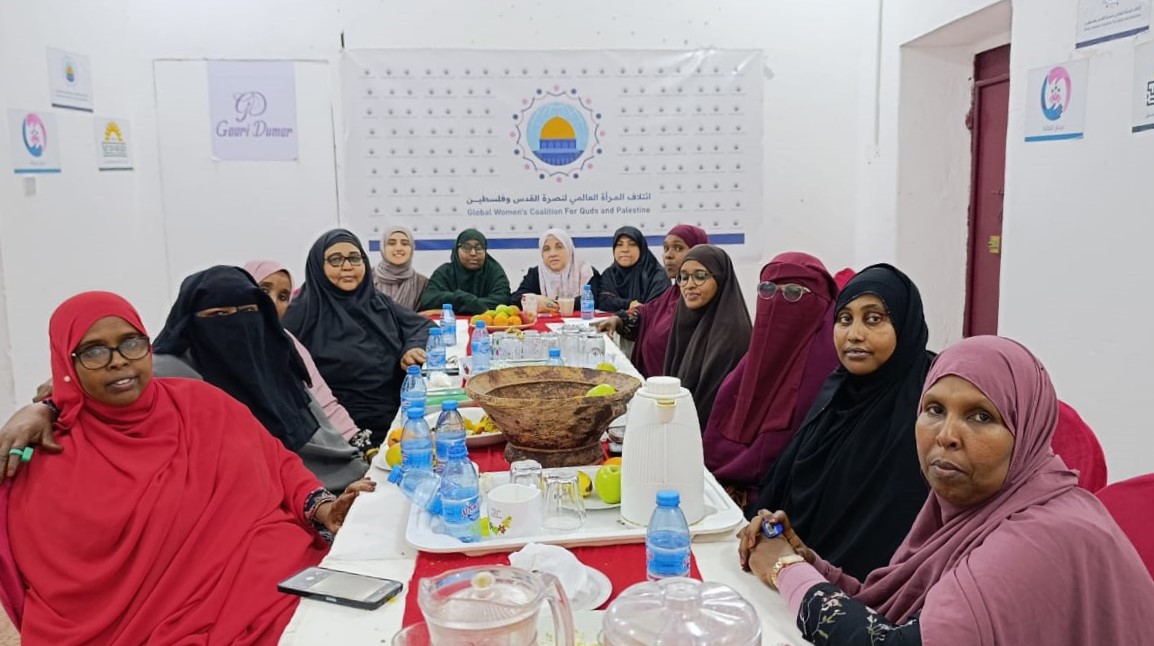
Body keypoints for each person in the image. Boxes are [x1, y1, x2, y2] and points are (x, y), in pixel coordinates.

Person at [7, 291, 373, 644]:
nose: (118, 360)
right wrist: (49, 407)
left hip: (275, 584)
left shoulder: (201, 404)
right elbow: (54, 592)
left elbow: (278, 465)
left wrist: (323, 509)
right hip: (145, 629)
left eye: (132, 342)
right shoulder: (48, 457)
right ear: (65, 363)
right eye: (94, 351)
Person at [739, 336, 1154, 645]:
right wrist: (807, 562)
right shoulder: (971, 508)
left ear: (1026, 432)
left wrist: (784, 569)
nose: (947, 436)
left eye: (980, 416)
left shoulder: (1043, 534)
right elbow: (891, 612)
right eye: (934, 410)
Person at [753, 264, 933, 579]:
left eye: (874, 319)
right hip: (790, 565)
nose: (854, 334)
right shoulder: (838, 390)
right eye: (844, 319)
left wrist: (803, 570)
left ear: (905, 325)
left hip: (859, 596)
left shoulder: (922, 411)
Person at [151, 266, 370, 490]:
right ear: (189, 321)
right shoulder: (171, 375)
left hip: (314, 485)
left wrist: (361, 455)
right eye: (219, 315)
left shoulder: (273, 351)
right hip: (230, 497)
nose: (238, 323)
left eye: (248, 311)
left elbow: (318, 420)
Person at [703, 253, 839, 507]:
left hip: (786, 505)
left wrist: (737, 477)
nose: (776, 300)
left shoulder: (826, 367)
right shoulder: (753, 361)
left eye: (794, 292)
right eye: (767, 289)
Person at [284, 229, 434, 447]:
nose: (347, 266)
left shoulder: (376, 302)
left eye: (355, 258)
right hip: (338, 433)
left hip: (394, 423)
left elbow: (424, 326)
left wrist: (411, 347)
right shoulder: (302, 313)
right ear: (318, 265)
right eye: (335, 260)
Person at [245, 260, 365, 445]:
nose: (272, 302)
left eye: (283, 296)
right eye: (263, 291)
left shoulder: (288, 343)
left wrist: (358, 442)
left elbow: (323, 401)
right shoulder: (227, 346)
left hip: (305, 447)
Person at [594, 224, 709, 378]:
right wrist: (619, 319)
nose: (668, 255)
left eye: (678, 248)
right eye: (666, 248)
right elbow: (646, 311)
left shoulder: (703, 302)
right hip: (655, 387)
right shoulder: (672, 294)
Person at [663, 245, 751, 429]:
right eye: (684, 277)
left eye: (700, 276)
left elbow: (709, 409)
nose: (689, 284)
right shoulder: (686, 318)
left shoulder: (730, 336)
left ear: (720, 279)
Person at [418, 229, 512, 314]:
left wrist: (462, 305)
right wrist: (461, 298)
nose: (473, 253)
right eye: (466, 248)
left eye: (479, 248)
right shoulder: (444, 272)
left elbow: (503, 300)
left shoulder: (494, 271)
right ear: (456, 250)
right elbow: (428, 300)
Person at [511, 229, 600, 312]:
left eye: (559, 247)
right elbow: (515, 299)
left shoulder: (586, 272)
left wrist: (556, 304)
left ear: (569, 249)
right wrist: (533, 301)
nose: (552, 254)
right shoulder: (537, 273)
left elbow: (595, 300)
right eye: (546, 249)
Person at [597, 226, 668, 314]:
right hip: (613, 325)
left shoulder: (657, 275)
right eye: (619, 244)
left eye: (632, 244)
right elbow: (604, 301)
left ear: (641, 248)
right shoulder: (610, 274)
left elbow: (654, 308)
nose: (625, 250)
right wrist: (629, 304)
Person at [371, 225, 429, 311]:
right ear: (383, 247)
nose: (398, 248)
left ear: (412, 248)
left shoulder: (421, 283)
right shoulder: (369, 277)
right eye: (391, 243)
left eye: (405, 244)